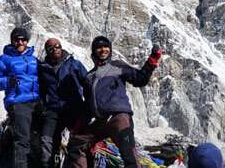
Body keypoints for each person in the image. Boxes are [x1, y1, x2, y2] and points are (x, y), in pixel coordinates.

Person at [65, 36, 162, 168]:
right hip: (98, 121)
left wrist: (152, 61)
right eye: (99, 47)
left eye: (106, 47)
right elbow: (87, 105)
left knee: (128, 154)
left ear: (110, 50)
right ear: (93, 52)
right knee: (76, 144)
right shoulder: (89, 77)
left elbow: (140, 79)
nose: (103, 50)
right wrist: (78, 126)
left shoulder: (118, 66)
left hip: (118, 118)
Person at [0, 27, 40, 168]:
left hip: (37, 102)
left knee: (39, 139)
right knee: (22, 140)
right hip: (18, 102)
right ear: (12, 41)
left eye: (23, 39)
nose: (20, 42)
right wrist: (7, 81)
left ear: (27, 41)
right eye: (17, 39)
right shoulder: (5, 59)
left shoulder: (34, 59)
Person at [38, 38, 88, 168]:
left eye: (57, 46)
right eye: (51, 48)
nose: (55, 49)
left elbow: (87, 82)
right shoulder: (43, 69)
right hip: (53, 109)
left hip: (74, 107)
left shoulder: (74, 64)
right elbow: (41, 90)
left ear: (61, 47)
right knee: (46, 140)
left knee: (78, 140)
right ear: (47, 51)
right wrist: (44, 106)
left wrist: (88, 105)